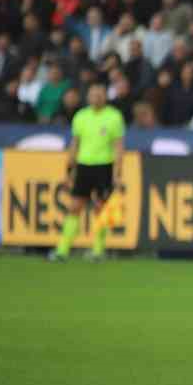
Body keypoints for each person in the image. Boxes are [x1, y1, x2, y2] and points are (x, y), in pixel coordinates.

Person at [51, 80, 124, 261]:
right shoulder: (81, 116)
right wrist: (70, 168)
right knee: (74, 207)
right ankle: (63, 250)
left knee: (101, 208)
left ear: (105, 97)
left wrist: (117, 172)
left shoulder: (114, 117)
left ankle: (98, 251)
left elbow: (118, 147)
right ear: (88, 97)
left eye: (99, 94)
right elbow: (75, 144)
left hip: (104, 166)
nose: (96, 98)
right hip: (84, 166)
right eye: (93, 94)